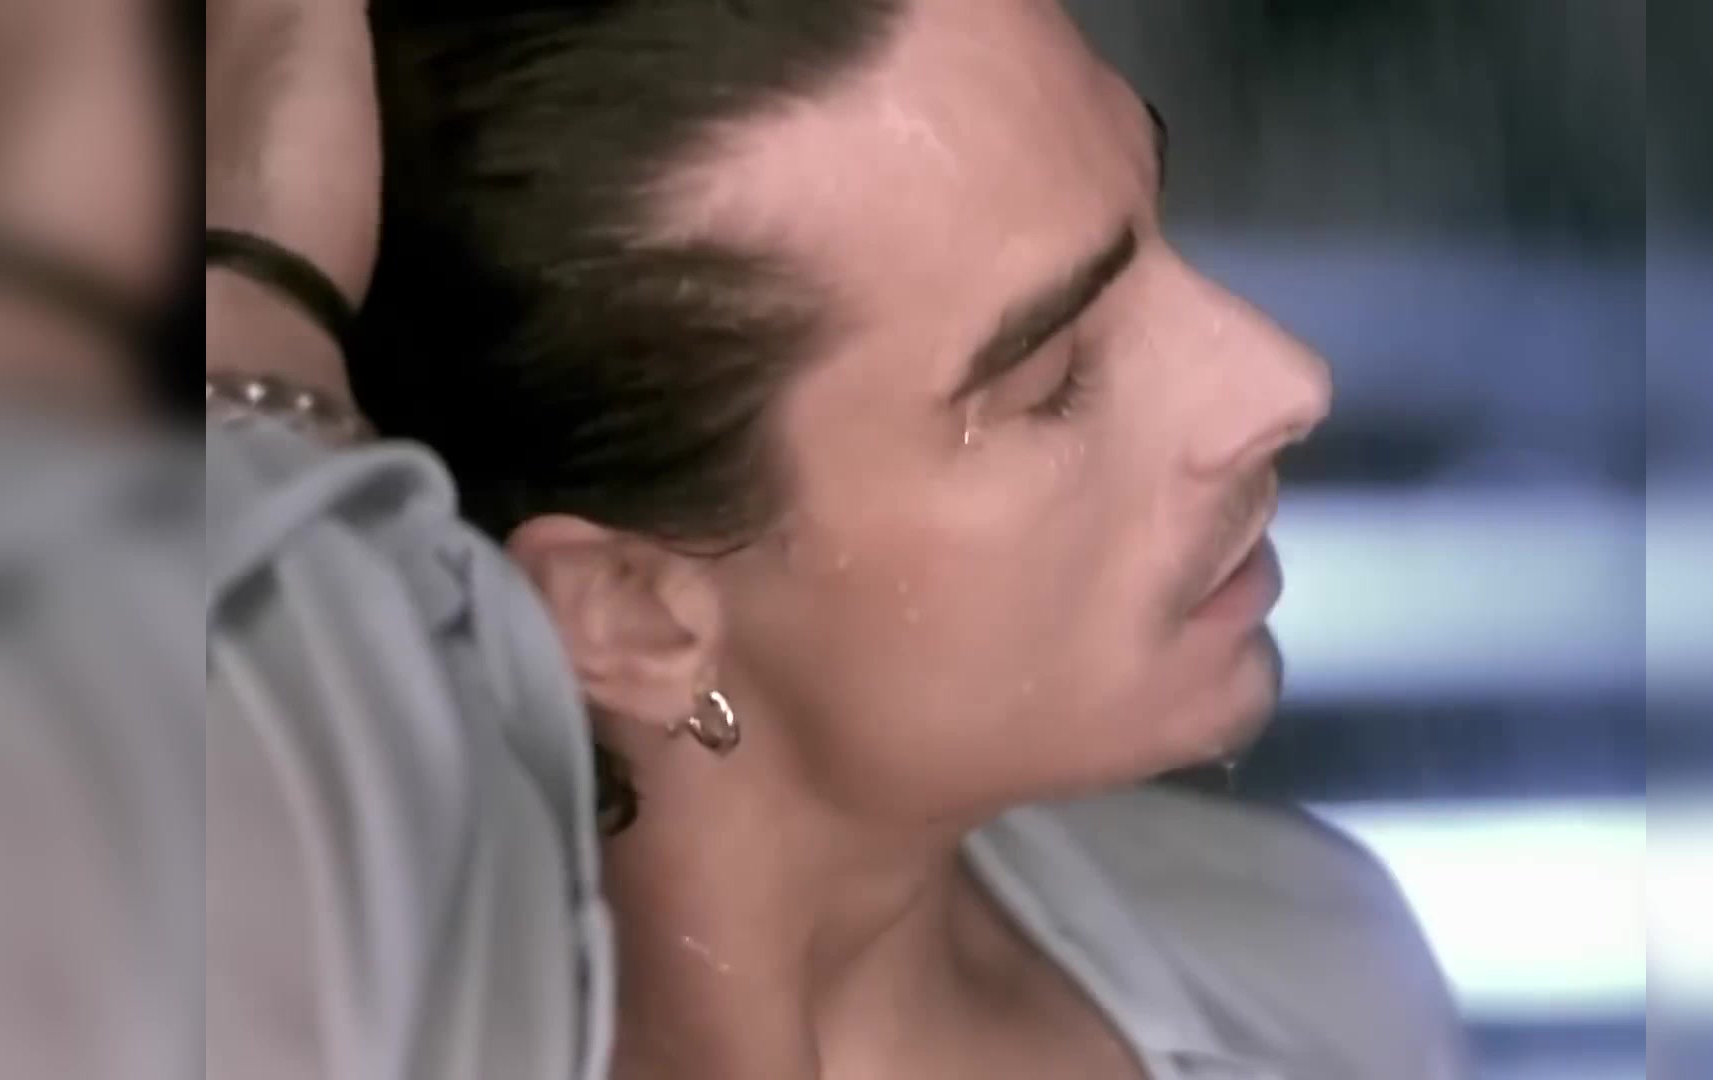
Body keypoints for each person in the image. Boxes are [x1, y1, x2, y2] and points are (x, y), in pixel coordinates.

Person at [356, 2, 1465, 1078]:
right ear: (632, 614)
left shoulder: (1318, 977)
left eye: (1162, 224)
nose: (1284, 384)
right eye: (1051, 379)